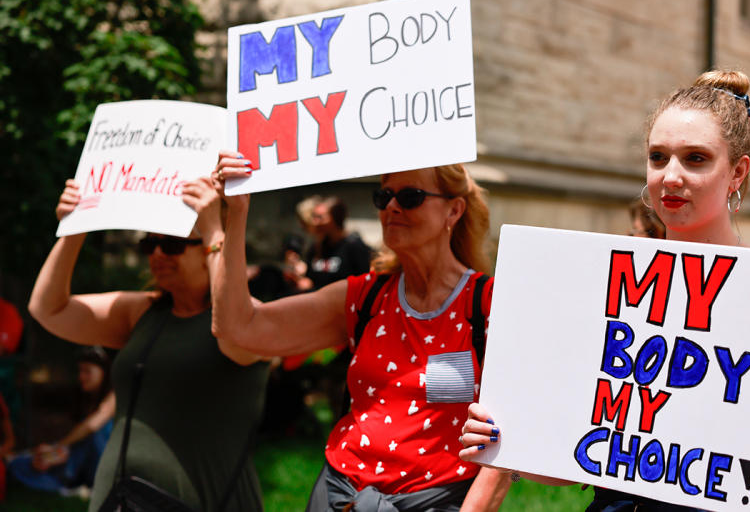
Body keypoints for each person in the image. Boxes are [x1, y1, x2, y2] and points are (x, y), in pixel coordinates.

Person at [459, 70, 750, 512]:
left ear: (737, 172)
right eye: (658, 157)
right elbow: (582, 455)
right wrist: (509, 439)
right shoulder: (603, 286)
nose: (670, 176)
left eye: (695, 159)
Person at [207, 155, 511, 511]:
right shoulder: (364, 296)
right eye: (383, 197)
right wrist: (235, 215)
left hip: (433, 500)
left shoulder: (489, 305)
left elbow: (507, 449)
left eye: (410, 196)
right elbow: (239, 328)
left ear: (453, 211)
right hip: (339, 494)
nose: (392, 207)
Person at [28, 177, 269, 511]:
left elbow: (233, 329)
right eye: (148, 244)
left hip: (208, 497)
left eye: (171, 244)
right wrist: (76, 227)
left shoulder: (250, 319)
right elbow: (48, 309)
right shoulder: (142, 311)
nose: (156, 254)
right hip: (122, 497)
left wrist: (215, 230)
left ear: (211, 248)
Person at [7, 346, 115, 496]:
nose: (81, 376)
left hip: (99, 465)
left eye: (87, 371)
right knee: (20, 464)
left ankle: (71, 480)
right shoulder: (85, 399)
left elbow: (91, 426)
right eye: (80, 371)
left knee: (97, 432)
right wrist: (54, 452)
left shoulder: (113, 397)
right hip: (75, 460)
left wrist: (58, 447)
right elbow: (75, 439)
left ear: (104, 372)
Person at [295, 195, 372, 292]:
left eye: (320, 217)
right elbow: (311, 278)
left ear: (336, 218)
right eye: (314, 217)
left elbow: (365, 283)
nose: (315, 222)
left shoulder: (354, 247)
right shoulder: (317, 247)